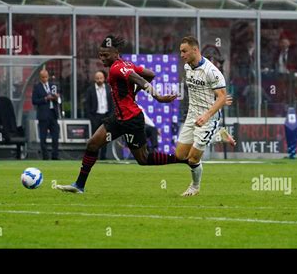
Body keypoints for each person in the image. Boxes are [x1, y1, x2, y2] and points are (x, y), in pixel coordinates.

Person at [56, 35, 187, 194]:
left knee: (143, 159)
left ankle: (181, 159)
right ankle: (79, 185)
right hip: (118, 118)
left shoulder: (117, 67)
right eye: (100, 54)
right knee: (92, 144)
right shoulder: (126, 64)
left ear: (116, 53)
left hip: (131, 119)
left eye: (105, 55)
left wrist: (157, 96)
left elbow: (138, 78)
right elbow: (150, 74)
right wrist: (133, 93)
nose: (102, 58)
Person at [174, 36, 228, 196]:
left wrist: (207, 115)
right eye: (180, 51)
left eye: (184, 51)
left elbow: (222, 97)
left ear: (195, 50)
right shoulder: (187, 68)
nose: (182, 55)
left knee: (192, 159)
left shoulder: (212, 72)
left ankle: (195, 187)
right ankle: (218, 136)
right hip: (192, 116)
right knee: (179, 155)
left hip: (208, 119)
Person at [32, 69, 60, 160]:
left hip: (53, 114)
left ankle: (55, 156)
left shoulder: (53, 86)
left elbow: (59, 100)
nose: (45, 79)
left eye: (46, 77)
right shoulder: (37, 87)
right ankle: (45, 156)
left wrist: (56, 97)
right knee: (43, 137)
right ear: (40, 78)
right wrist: (45, 98)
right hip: (43, 115)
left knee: (55, 136)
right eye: (43, 77)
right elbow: (34, 101)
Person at [84, 70, 113, 160]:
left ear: (104, 79)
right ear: (94, 79)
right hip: (95, 116)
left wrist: (111, 116)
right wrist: (91, 117)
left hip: (106, 116)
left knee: (105, 137)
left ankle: (103, 156)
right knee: (95, 138)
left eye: (101, 78)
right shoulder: (90, 90)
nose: (99, 80)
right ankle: (94, 157)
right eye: (97, 78)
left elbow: (112, 103)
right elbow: (87, 105)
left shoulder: (109, 88)